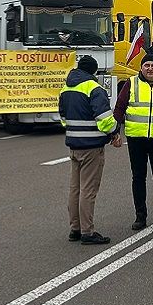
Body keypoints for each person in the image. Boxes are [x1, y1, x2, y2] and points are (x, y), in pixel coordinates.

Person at [58, 55, 121, 246]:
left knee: (75, 188)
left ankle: (75, 228)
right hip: (92, 146)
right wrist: (114, 132)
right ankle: (88, 231)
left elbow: (62, 116)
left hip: (74, 143)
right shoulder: (94, 88)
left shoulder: (66, 87)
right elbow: (104, 118)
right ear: (93, 71)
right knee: (88, 190)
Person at [114, 55, 153, 230]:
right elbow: (119, 107)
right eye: (146, 65)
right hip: (136, 139)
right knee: (138, 178)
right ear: (141, 68)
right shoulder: (131, 83)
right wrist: (115, 131)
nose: (150, 69)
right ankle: (140, 216)